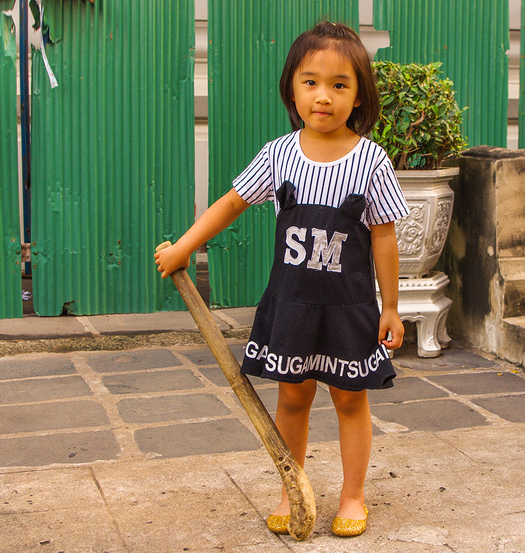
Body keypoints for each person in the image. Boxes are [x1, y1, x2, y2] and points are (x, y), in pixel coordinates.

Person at [155, 21, 409, 538]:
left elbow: (384, 237)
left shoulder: (371, 162)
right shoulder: (278, 154)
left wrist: (390, 307)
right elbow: (231, 203)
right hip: (292, 305)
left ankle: (353, 495)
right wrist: (184, 247)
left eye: (339, 84)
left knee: (349, 398)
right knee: (292, 397)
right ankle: (291, 488)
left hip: (349, 309)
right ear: (292, 88)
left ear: (359, 95)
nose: (323, 96)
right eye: (310, 82)